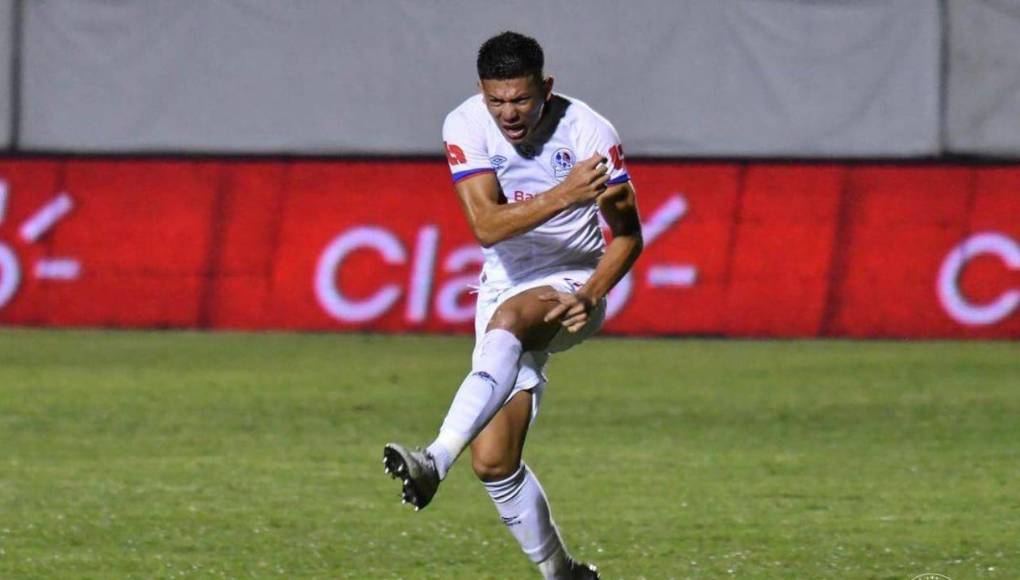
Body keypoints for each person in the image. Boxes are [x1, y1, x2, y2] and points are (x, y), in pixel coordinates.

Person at [383, 31, 642, 580]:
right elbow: (487, 226)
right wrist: (565, 195)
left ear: (546, 88)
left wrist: (592, 293)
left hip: (572, 280)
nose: (509, 113)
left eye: (521, 99)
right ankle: (563, 574)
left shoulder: (589, 134)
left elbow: (627, 236)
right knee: (495, 461)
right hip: (503, 279)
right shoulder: (465, 124)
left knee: (511, 322)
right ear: (481, 92)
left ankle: (433, 460)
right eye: (497, 100)